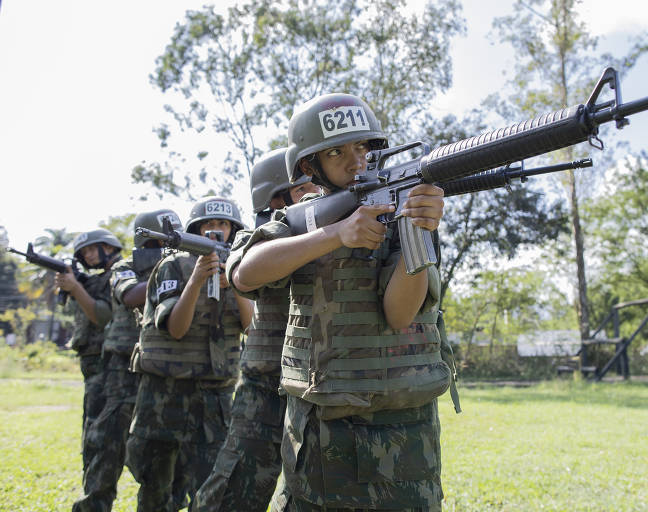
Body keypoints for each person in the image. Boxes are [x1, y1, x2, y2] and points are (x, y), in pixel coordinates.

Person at [227, 93, 450, 511]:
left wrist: (418, 229)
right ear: (310, 165)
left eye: (363, 147)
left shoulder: (401, 208)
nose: (355, 162)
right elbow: (244, 273)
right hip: (321, 439)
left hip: (405, 441)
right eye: (337, 151)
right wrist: (336, 235)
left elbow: (400, 314)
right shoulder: (303, 219)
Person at [192, 148, 319, 512]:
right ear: (274, 198)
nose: (317, 192)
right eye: (304, 187)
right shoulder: (253, 239)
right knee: (232, 491)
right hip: (266, 387)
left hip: (319, 388)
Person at [125, 197, 253, 512]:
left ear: (233, 230)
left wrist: (235, 284)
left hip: (215, 399)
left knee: (210, 492)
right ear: (195, 229)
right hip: (165, 396)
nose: (216, 231)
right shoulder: (172, 266)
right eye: (208, 225)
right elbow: (176, 328)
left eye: (223, 225)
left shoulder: (242, 269)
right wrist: (196, 280)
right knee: (157, 491)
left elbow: (251, 326)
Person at [71, 210, 185, 512]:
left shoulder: (182, 267)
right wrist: (170, 273)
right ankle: (94, 504)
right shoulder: (125, 267)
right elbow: (130, 296)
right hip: (120, 368)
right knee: (106, 445)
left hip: (161, 367)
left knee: (162, 451)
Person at [56, 229, 123, 508]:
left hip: (110, 369)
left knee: (102, 442)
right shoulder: (92, 281)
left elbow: (102, 316)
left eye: (93, 249)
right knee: (92, 441)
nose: (88, 256)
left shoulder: (120, 274)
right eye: (84, 253)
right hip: (92, 370)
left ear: (109, 247)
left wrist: (75, 288)